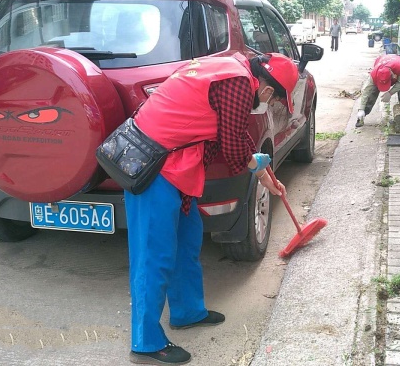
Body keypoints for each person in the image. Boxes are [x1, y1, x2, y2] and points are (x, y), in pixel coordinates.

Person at [126, 52, 297, 365]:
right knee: (153, 256)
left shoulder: (231, 68)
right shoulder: (236, 83)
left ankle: (187, 311)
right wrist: (254, 163)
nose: (268, 104)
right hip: (154, 166)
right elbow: (234, 149)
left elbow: (237, 133)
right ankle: (146, 341)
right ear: (268, 90)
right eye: (273, 100)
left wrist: (265, 177)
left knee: (188, 240)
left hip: (175, 164)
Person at [356, 54, 400, 127]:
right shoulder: (374, 75)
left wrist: (390, 93)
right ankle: (361, 117)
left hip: (396, 64)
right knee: (372, 93)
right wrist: (361, 109)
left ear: (392, 75)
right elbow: (366, 91)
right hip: (381, 64)